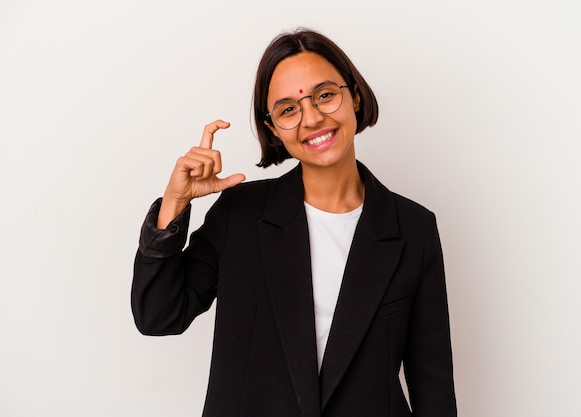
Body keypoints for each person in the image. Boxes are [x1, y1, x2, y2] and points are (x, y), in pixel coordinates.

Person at [132, 28, 457, 417]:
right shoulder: (241, 215)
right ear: (272, 128)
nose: (313, 118)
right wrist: (175, 202)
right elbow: (158, 315)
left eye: (324, 95)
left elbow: (432, 383)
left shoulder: (414, 228)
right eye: (288, 109)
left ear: (353, 94)